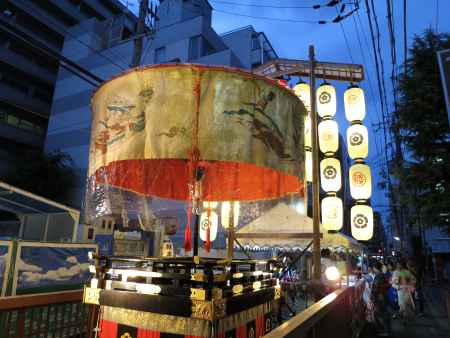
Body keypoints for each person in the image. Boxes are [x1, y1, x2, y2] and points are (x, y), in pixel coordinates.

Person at [371, 261, 391, 336]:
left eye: (373, 267)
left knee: (380, 314)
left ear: (375, 268)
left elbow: (376, 287)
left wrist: (372, 296)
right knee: (381, 314)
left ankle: (385, 331)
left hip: (380, 298)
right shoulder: (381, 275)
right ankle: (384, 330)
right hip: (383, 297)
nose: (373, 269)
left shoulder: (379, 275)